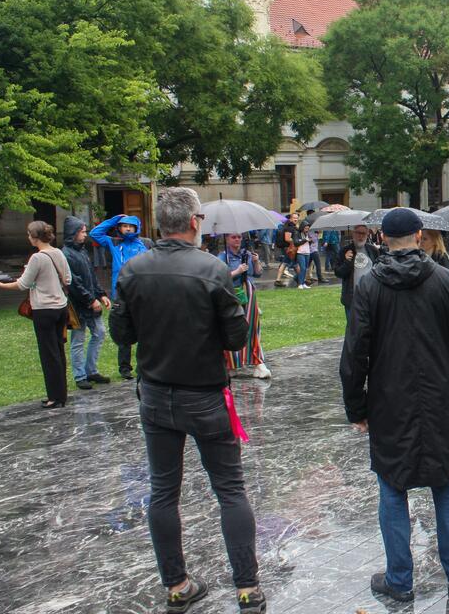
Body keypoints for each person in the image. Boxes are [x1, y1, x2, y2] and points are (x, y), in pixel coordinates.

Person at [108, 187, 265, 614]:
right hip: (204, 395)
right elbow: (236, 336)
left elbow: (121, 334)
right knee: (230, 490)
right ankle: (246, 587)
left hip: (158, 395)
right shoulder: (212, 270)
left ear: (161, 223)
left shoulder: (134, 270)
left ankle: (176, 584)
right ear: (195, 221)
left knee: (164, 492)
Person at [339, 208, 449, 603]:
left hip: (390, 401)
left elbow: (354, 354)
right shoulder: (446, 281)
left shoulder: (370, 286)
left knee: (394, 487)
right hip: (436, 398)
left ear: (383, 238)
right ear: (419, 236)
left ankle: (401, 578)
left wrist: (357, 407)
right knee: (445, 484)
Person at [0, 221, 72, 409]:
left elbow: (22, 284)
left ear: (35, 237)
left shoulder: (37, 258)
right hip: (61, 307)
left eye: (29, 235)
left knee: (48, 353)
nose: (28, 238)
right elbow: (68, 278)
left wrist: (1, 285)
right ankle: (62, 393)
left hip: (44, 309)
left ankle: (55, 396)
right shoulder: (58, 252)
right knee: (58, 351)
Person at [90, 213, 150, 380]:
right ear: (119, 228)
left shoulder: (145, 243)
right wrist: (115, 219)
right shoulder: (114, 243)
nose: (128, 228)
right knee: (123, 331)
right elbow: (95, 234)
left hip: (142, 293)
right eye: (124, 226)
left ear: (137, 228)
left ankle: (143, 365)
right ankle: (124, 368)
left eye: (131, 226)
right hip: (121, 294)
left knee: (144, 330)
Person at [62, 216, 111, 390]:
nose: (85, 235)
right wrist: (90, 300)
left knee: (99, 333)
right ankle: (80, 375)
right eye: (82, 232)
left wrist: (101, 294)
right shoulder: (66, 254)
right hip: (78, 305)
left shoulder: (82, 251)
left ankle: (91, 370)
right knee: (78, 339)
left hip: (91, 301)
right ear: (73, 233)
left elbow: (91, 276)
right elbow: (74, 283)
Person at [219, 233, 271, 380]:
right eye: (233, 237)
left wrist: (256, 262)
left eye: (239, 237)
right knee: (232, 329)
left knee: (252, 328)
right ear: (227, 239)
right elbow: (219, 277)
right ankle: (232, 364)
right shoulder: (222, 257)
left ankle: (257, 363)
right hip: (231, 295)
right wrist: (237, 271)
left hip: (248, 293)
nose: (237, 240)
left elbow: (258, 273)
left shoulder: (247, 254)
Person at [334, 224, 380, 324]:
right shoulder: (345, 251)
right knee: (352, 328)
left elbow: (379, 270)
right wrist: (347, 261)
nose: (361, 236)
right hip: (352, 297)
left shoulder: (373, 250)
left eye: (364, 233)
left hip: (370, 297)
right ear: (353, 234)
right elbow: (338, 273)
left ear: (368, 234)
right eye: (358, 233)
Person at [273, 211, 303, 287]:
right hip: (290, 248)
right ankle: (300, 280)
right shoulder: (289, 227)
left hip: (290, 248)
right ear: (290, 219)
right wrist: (295, 241)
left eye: (297, 218)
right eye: (294, 218)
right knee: (290, 263)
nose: (296, 219)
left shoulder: (292, 226)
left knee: (290, 263)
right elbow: (287, 238)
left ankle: (300, 279)